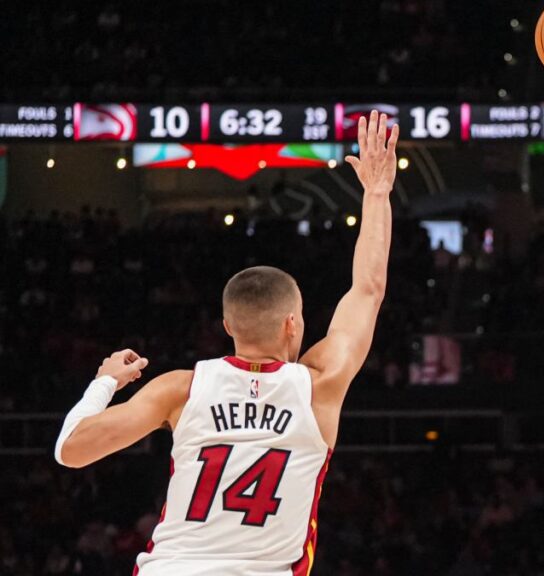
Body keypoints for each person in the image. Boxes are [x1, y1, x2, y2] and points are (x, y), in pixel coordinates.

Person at [53, 111, 400, 575]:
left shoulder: (181, 388)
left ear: (227, 325)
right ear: (292, 324)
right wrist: (376, 193)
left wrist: (105, 382)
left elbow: (70, 450)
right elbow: (368, 290)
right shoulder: (319, 386)